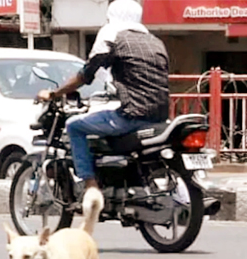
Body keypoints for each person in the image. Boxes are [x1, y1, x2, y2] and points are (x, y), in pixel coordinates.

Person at [36, 0, 169, 192]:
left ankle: (90, 185)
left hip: (131, 116)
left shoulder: (112, 34)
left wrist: (55, 93)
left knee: (74, 126)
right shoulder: (154, 41)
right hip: (159, 117)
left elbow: (86, 74)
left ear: (111, 16)